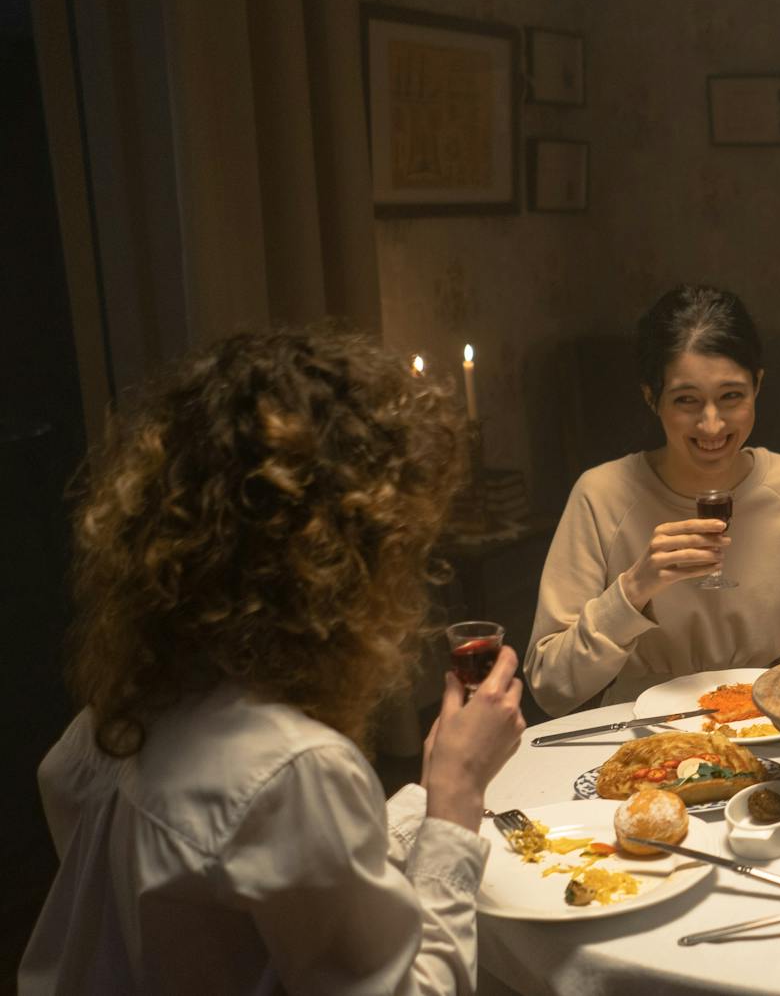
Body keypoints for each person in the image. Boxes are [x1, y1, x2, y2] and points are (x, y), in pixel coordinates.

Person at [19, 328, 527, 994]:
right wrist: (456, 797)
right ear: (340, 556)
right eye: (399, 544)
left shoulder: (128, 709)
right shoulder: (294, 769)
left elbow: (64, 783)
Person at [526, 285, 780, 717]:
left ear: (758, 385)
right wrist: (634, 588)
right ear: (651, 397)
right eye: (686, 400)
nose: (712, 424)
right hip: (637, 741)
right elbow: (551, 686)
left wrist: (767, 713)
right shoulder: (601, 495)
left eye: (731, 396)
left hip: (767, 725)